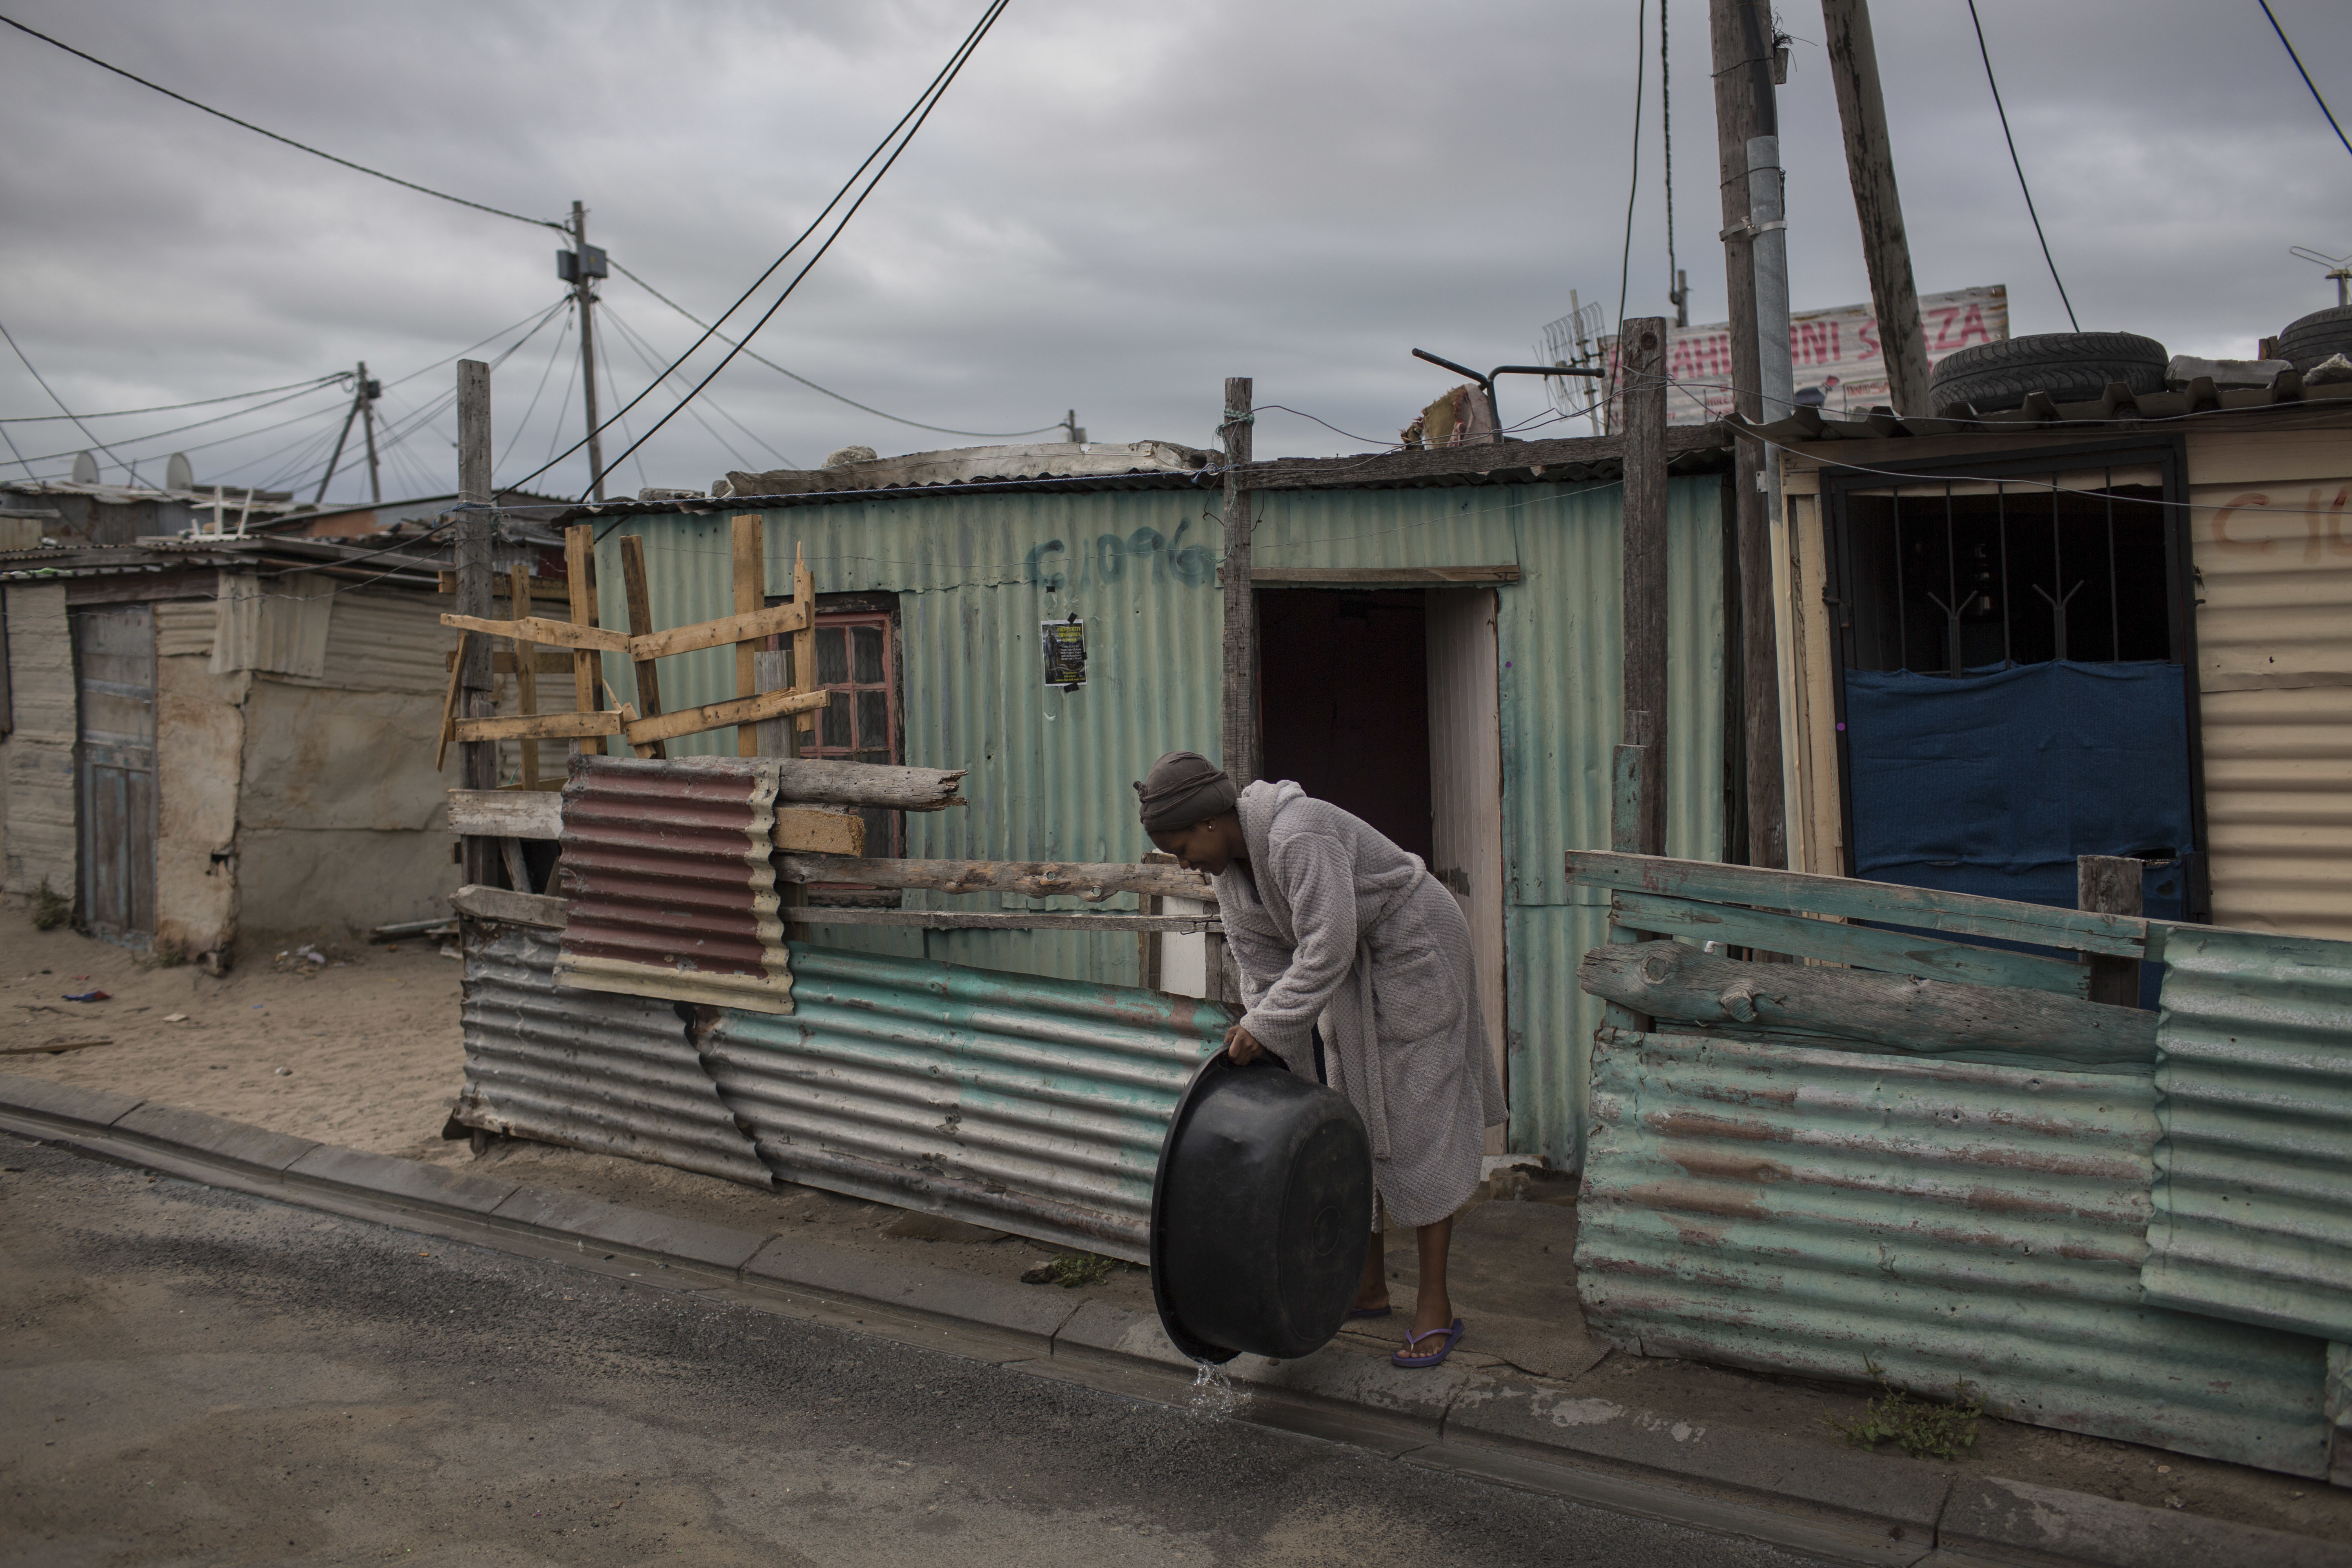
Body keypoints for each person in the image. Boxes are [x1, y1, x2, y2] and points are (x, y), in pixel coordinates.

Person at [1135, 750, 1504, 1368]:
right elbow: (1261, 976)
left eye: (1181, 849)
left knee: (1421, 1122)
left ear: (1208, 823)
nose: (1186, 865)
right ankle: (1367, 1286)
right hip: (1349, 975)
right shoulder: (1230, 876)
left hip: (1414, 948)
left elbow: (1327, 946)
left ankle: (1435, 1304)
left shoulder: (1296, 833)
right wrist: (1288, 1090)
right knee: (1347, 1115)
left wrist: (1267, 1026)